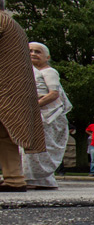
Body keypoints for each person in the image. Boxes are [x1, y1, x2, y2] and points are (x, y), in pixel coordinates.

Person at [0, 0, 46, 192]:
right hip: (14, 88)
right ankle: (14, 178)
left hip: (4, 86)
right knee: (4, 134)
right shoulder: (12, 24)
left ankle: (14, 178)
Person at [21, 42, 72, 189]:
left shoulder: (49, 72)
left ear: (47, 57)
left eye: (38, 52)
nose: (33, 54)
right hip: (32, 115)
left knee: (39, 148)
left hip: (47, 117)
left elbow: (54, 94)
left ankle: (38, 179)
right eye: (30, 51)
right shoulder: (26, 71)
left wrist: (32, 107)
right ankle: (29, 178)